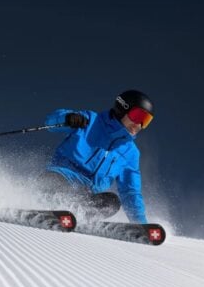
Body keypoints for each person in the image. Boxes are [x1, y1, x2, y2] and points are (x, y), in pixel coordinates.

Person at [41, 90, 154, 223]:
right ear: (123, 108)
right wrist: (67, 118)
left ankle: (78, 216)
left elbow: (131, 192)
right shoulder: (90, 121)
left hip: (86, 196)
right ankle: (51, 206)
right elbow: (49, 123)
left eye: (145, 121)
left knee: (112, 202)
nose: (139, 124)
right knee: (54, 182)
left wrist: (140, 225)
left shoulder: (131, 153)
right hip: (61, 177)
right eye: (138, 116)